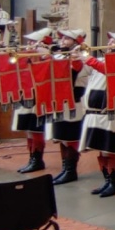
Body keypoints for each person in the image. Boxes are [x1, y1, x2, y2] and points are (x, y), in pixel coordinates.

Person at [76, 32, 115, 198]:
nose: (109, 43)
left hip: (112, 111)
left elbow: (110, 70)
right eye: (110, 39)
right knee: (101, 149)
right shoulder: (100, 61)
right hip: (94, 113)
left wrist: (88, 58)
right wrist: (75, 57)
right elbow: (80, 70)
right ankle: (107, 181)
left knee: (112, 149)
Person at [46, 29, 92, 185]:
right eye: (62, 38)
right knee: (61, 137)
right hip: (60, 101)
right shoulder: (59, 56)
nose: (62, 41)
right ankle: (65, 169)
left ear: (75, 42)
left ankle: (71, 170)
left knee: (70, 137)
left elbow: (73, 73)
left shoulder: (79, 58)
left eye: (67, 39)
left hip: (74, 101)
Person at [12, 28, 54, 173]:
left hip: (39, 96)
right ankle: (32, 158)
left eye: (32, 41)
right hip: (26, 94)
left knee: (35, 129)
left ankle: (37, 159)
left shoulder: (47, 56)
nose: (29, 43)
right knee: (28, 130)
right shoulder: (26, 55)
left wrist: (43, 54)